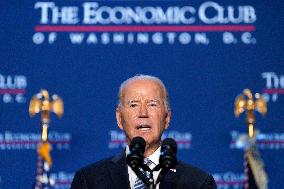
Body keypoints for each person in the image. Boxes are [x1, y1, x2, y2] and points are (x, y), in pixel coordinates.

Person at [71, 74, 216, 189]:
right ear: (119, 119)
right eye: (133, 105)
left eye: (152, 104)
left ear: (167, 118)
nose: (143, 113)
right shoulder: (89, 181)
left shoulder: (198, 183)